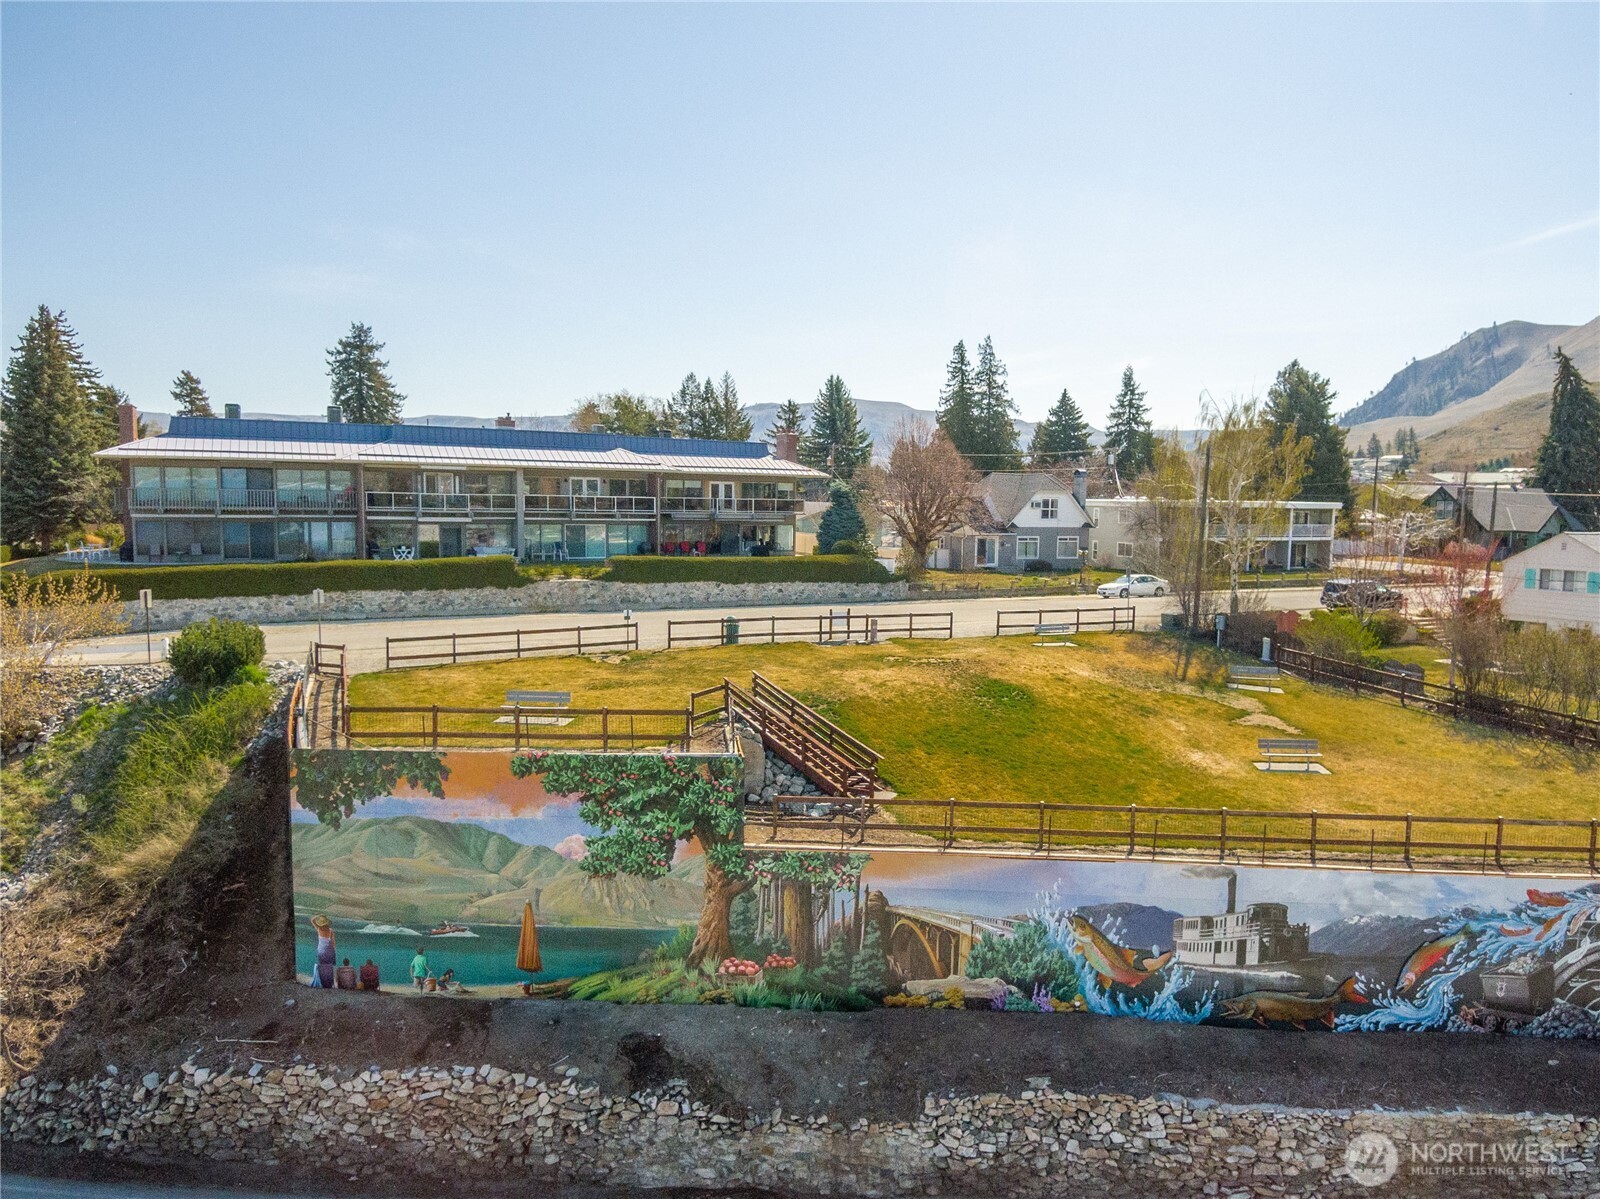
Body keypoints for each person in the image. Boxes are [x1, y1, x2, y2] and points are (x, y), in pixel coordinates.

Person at [309, 915, 336, 988]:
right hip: (329, 951)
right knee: (329, 967)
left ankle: (323, 983)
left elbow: (312, 920)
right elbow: (333, 943)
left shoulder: (319, 929)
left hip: (321, 951)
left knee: (322, 966)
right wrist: (334, 951)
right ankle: (330, 984)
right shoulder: (330, 930)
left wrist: (318, 915)